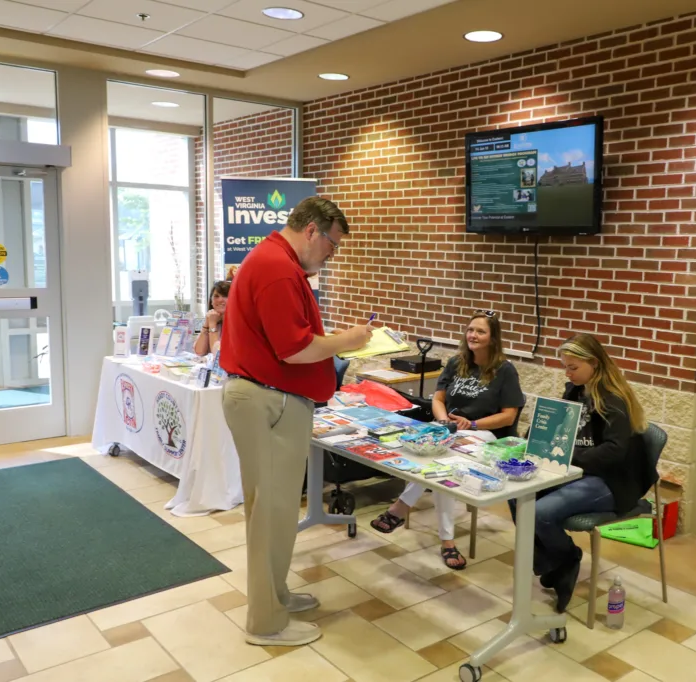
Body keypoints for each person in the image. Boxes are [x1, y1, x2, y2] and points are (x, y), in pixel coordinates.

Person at [219, 196, 373, 647]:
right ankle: (265, 623)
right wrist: (350, 340)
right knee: (269, 511)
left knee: (281, 508)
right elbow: (294, 349)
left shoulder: (279, 261)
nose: (332, 254)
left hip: (275, 400)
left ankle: (276, 594)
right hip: (268, 400)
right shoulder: (277, 267)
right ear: (312, 231)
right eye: (332, 245)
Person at [370, 311, 525, 569]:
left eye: (481, 331)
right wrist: (444, 423)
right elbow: (438, 399)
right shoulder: (456, 362)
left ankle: (402, 509)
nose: (473, 335)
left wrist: (471, 424)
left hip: (484, 433)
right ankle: (446, 541)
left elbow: (508, 417)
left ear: (493, 338)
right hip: (451, 428)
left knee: (443, 460)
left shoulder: (505, 371)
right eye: (471, 330)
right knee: (429, 454)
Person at [511, 333, 653, 613]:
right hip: (578, 472)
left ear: (595, 364)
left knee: (540, 512)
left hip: (611, 481)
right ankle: (554, 560)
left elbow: (615, 451)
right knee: (517, 493)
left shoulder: (613, 400)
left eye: (573, 367)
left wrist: (570, 458)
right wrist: (538, 436)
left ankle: (565, 560)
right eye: (565, 366)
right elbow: (560, 426)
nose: (567, 372)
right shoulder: (576, 390)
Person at [194, 280, 229, 356]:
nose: (220, 300)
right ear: (211, 301)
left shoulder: (238, 325)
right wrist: (207, 323)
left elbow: (218, 356)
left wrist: (212, 325)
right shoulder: (213, 319)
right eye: (216, 296)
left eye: (225, 296)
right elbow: (199, 352)